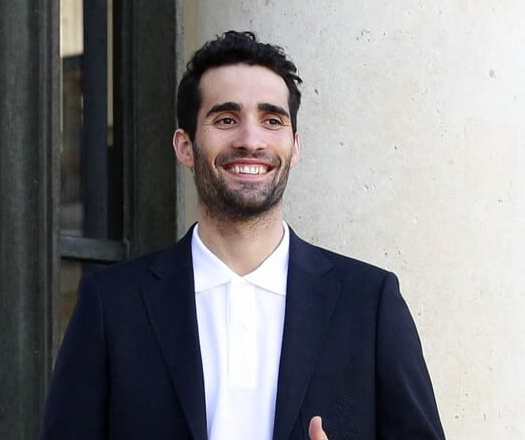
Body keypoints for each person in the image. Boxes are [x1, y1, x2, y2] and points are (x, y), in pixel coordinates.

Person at [39, 31, 445, 439]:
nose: (251, 140)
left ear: (295, 146)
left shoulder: (369, 304)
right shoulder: (111, 306)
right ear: (185, 146)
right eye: (226, 119)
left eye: (272, 120)